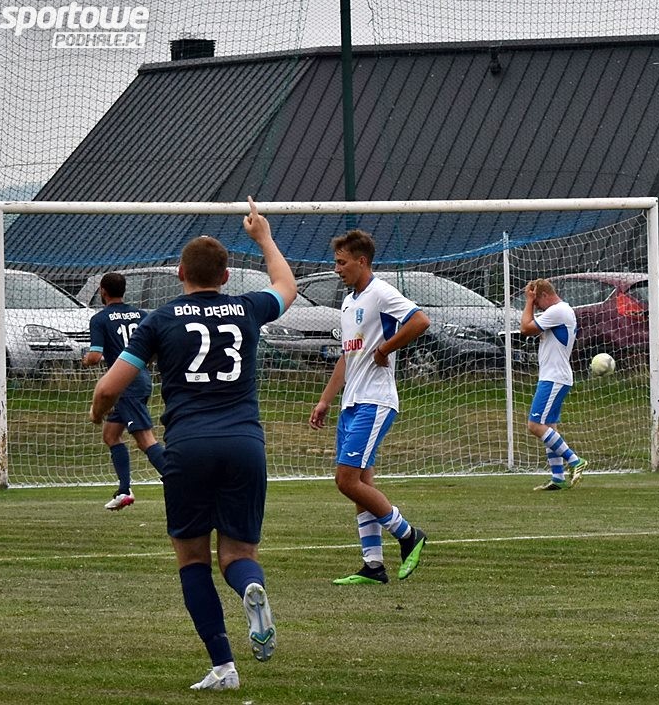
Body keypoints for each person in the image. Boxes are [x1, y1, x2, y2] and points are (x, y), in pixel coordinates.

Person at [90, 197, 294, 691]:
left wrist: (97, 414)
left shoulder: (159, 320)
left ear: (180, 273)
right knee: (238, 552)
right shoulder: (247, 308)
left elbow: (109, 387)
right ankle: (250, 585)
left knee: (193, 560)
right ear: (227, 276)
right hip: (245, 444)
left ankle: (224, 667)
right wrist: (264, 237)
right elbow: (286, 286)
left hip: (188, 446)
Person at [309, 229, 430, 586]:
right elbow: (347, 357)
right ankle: (373, 565)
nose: (336, 269)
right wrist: (325, 399)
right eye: (335, 262)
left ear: (362, 261)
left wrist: (385, 349)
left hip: (375, 401)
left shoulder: (381, 292)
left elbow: (420, 321)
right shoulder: (349, 302)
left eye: (341, 262)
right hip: (352, 402)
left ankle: (408, 534)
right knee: (360, 483)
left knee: (345, 480)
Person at [83, 272, 165, 510]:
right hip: (140, 379)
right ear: (124, 290)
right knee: (110, 435)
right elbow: (155, 350)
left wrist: (85, 360)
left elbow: (95, 356)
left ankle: (180, 478)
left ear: (102, 291)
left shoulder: (100, 319)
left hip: (124, 384)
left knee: (144, 439)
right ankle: (124, 490)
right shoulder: (141, 315)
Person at [520, 278, 588, 491]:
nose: (537, 307)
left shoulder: (558, 311)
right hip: (554, 376)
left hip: (554, 378)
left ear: (543, 295)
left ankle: (575, 460)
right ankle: (558, 477)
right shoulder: (560, 312)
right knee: (549, 427)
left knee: (534, 425)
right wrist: (532, 302)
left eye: (537, 302)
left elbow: (525, 328)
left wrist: (528, 302)